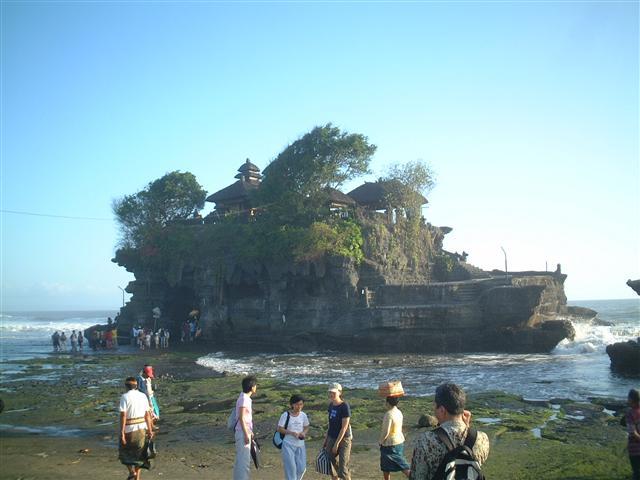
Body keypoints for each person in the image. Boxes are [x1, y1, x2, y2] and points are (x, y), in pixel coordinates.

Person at [409, 383, 489, 480]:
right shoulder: (481, 438)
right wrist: (467, 427)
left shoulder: (426, 441)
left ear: (442, 410)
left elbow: (417, 477)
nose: (434, 410)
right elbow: (469, 461)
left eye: (435, 407)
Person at [119, 376, 154, 480]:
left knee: (125, 452)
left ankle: (131, 472)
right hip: (142, 428)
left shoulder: (124, 397)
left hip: (129, 429)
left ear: (126, 386)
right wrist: (150, 430)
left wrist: (122, 433)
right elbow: (147, 415)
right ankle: (137, 477)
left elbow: (123, 415)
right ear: (136, 386)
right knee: (139, 455)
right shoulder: (143, 396)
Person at [277, 394, 310, 480]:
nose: (299, 406)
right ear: (292, 404)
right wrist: (291, 433)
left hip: (300, 445)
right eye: (297, 404)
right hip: (288, 444)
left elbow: (306, 427)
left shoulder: (303, 415)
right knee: (291, 469)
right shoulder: (285, 415)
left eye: (301, 404)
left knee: (302, 468)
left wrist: (303, 433)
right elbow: (279, 429)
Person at [324, 383, 352, 480]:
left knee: (343, 466)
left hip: (344, 439)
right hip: (332, 436)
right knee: (329, 460)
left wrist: (337, 444)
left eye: (334, 392)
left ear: (339, 393)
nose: (331, 394)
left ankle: (345, 476)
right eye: (330, 392)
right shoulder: (331, 405)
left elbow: (344, 428)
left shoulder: (344, 406)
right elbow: (330, 424)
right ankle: (336, 478)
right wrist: (326, 439)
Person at [379, 396, 410, 479]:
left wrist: (381, 441)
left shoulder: (388, 414)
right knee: (401, 464)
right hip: (399, 441)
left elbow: (386, 432)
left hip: (390, 443)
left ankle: (414, 477)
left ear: (388, 403)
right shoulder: (399, 412)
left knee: (388, 467)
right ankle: (413, 476)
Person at [234, 375, 257, 480]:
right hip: (242, 432)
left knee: (240, 461)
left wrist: (250, 432)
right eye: (255, 385)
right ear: (252, 387)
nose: (256, 387)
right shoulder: (244, 399)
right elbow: (242, 418)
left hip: (243, 431)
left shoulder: (244, 398)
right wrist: (246, 434)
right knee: (244, 462)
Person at [626, 388, 640, 480]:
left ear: (631, 400)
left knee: (637, 473)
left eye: (628, 398)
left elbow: (632, 432)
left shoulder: (630, 414)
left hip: (634, 449)